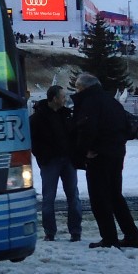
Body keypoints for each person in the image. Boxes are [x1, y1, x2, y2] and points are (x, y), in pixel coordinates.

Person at [72, 72, 138, 249]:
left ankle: (109, 237)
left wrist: (84, 152)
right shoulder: (111, 101)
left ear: (83, 88)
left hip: (99, 156)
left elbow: (86, 129)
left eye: (77, 87)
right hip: (117, 154)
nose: (76, 91)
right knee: (115, 196)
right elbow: (127, 126)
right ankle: (132, 235)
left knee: (99, 199)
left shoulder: (89, 102)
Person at [30, 85, 82, 242]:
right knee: (49, 197)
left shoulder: (66, 115)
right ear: (54, 98)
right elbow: (33, 142)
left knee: (72, 196)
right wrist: (43, 157)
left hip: (67, 160)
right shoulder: (38, 118)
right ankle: (50, 232)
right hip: (50, 162)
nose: (65, 99)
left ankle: (75, 231)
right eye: (62, 96)